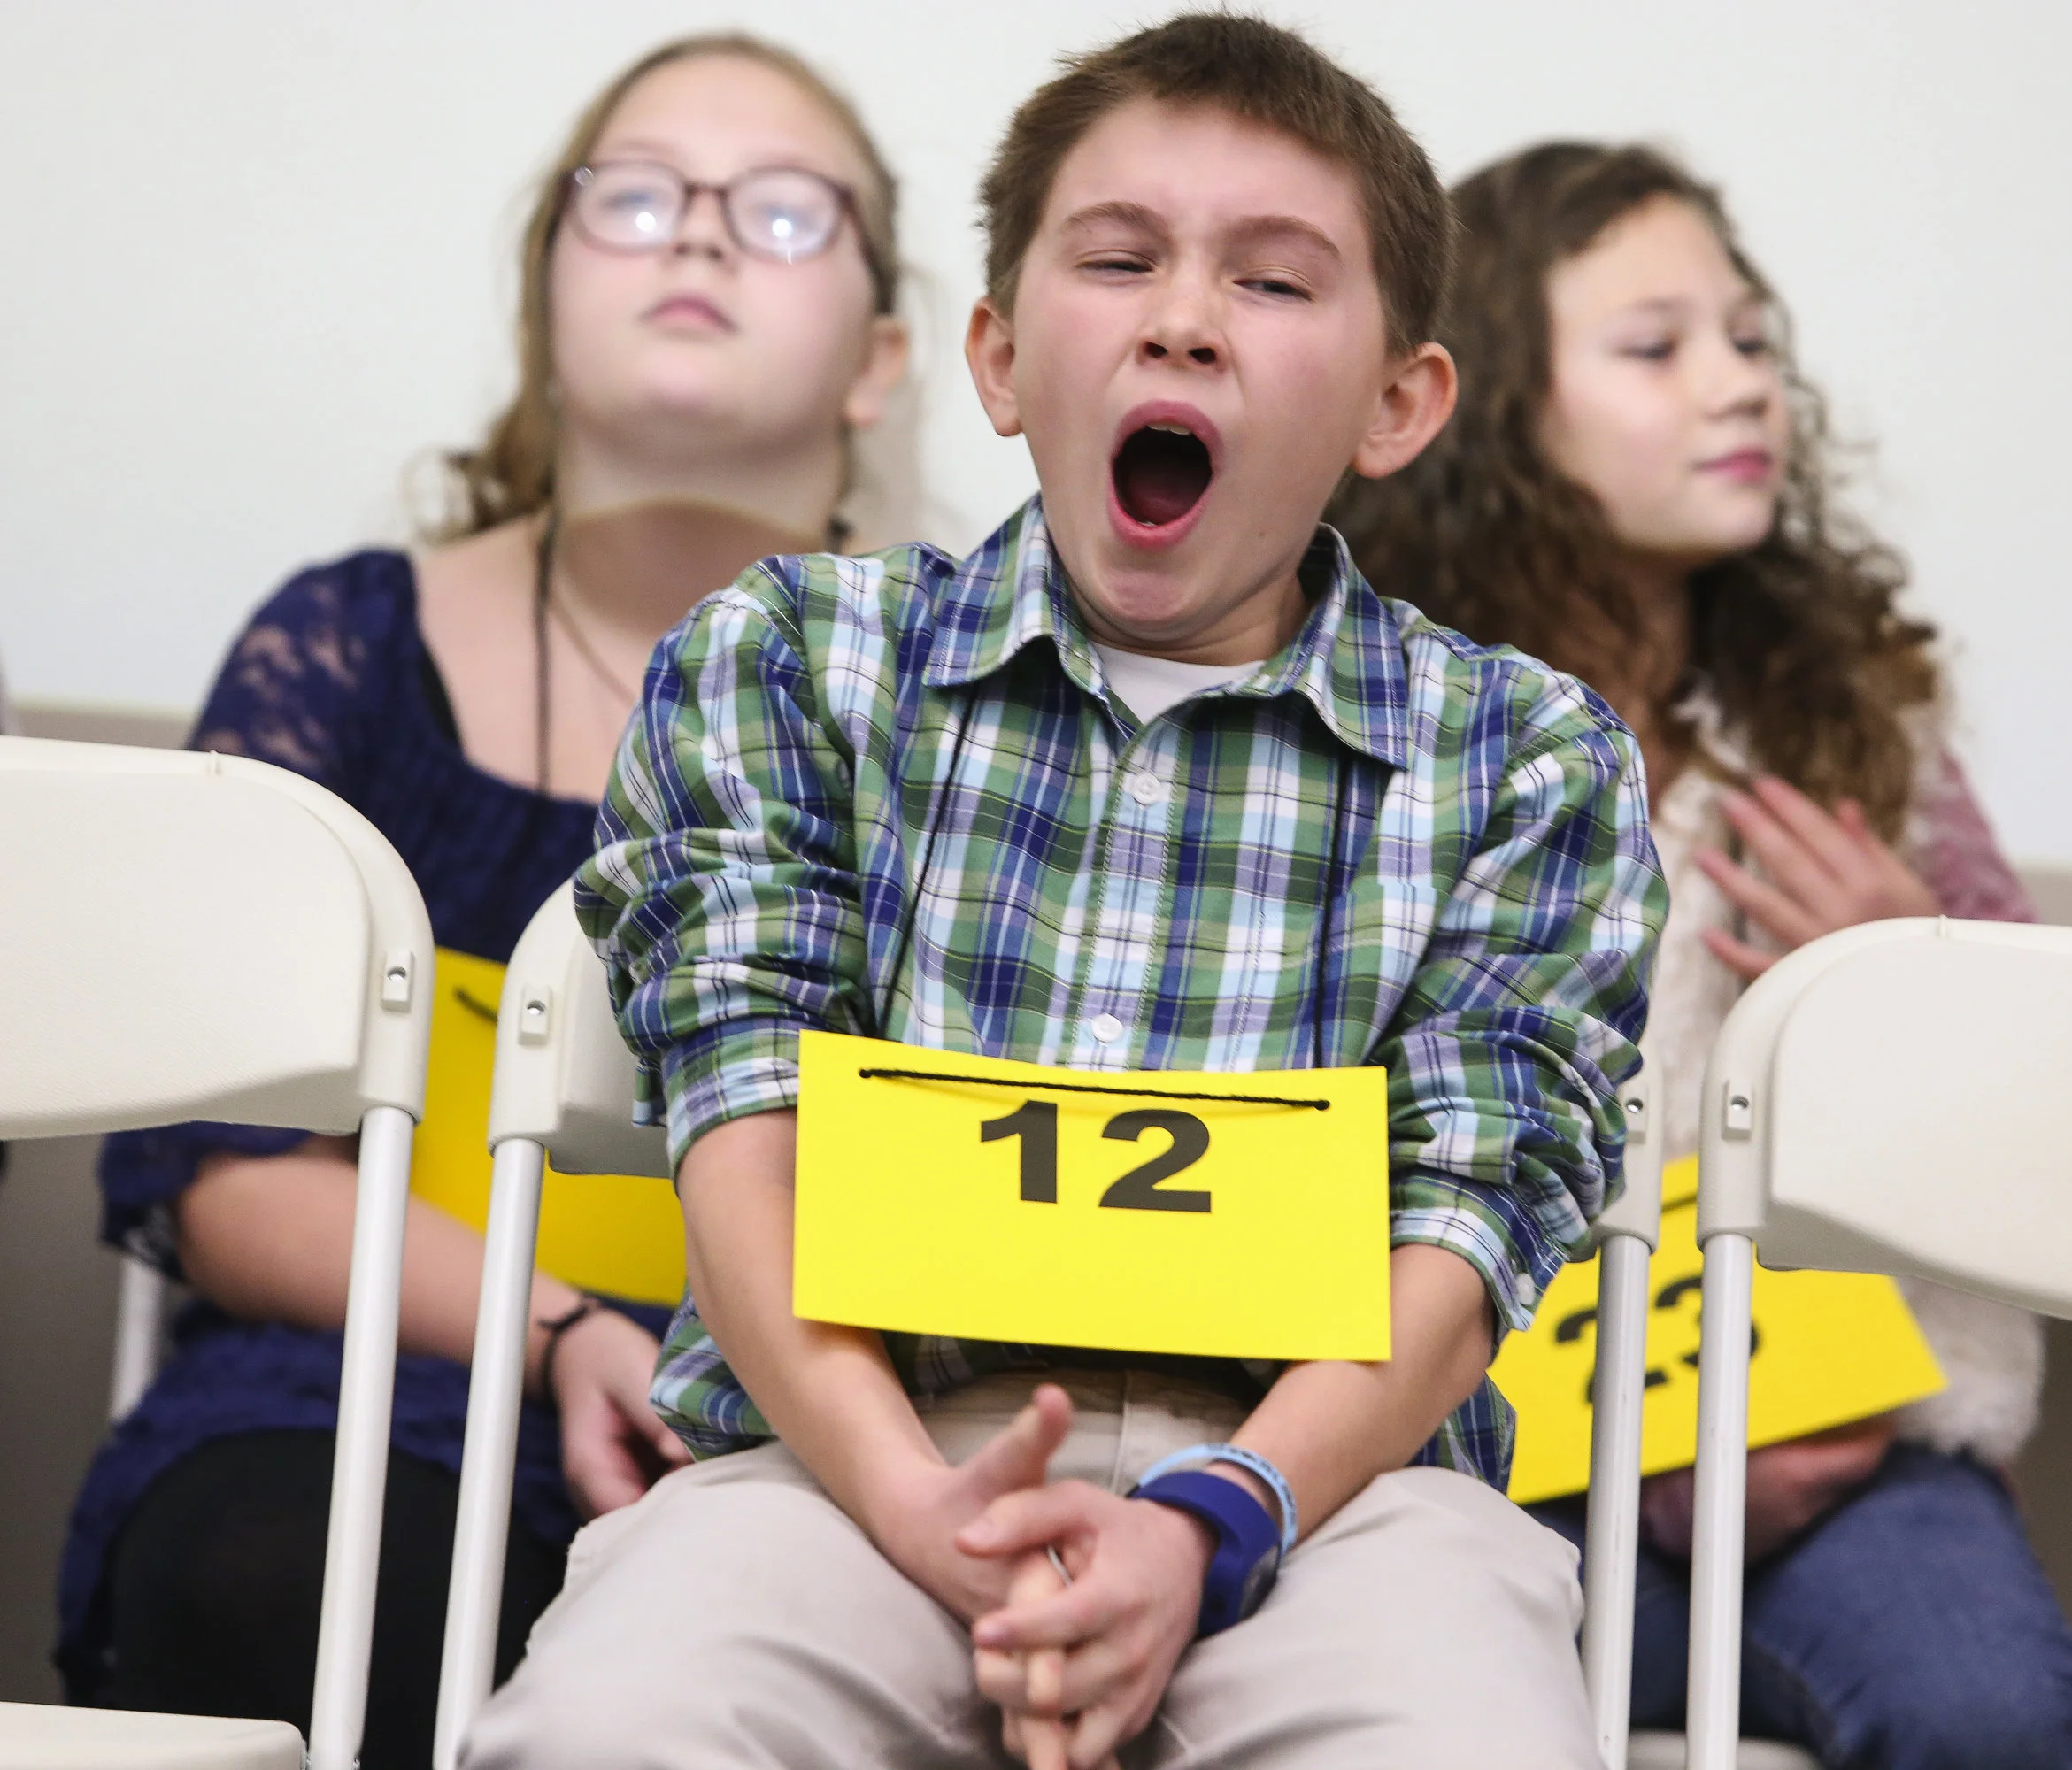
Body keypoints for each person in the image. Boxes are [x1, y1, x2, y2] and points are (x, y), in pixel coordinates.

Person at [464, 17, 1667, 1770]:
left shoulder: (1525, 757)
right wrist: (911, 1501)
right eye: (1116, 259)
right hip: (847, 1445)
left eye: (1269, 282)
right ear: (1005, 355)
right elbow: (745, 1119)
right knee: (611, 1725)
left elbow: (1470, 1213)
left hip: (1324, 1493)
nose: (1179, 315)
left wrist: (1211, 1517)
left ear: (1396, 403)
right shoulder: (792, 660)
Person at [59, 35, 909, 1765]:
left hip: (820, 1441)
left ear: (881, 362)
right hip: (369, 1403)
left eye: (779, 211)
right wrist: (566, 1335)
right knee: (294, 1583)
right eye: (636, 197)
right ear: (544, 299)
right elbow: (222, 1168)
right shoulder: (350, 649)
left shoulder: (977, 727)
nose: (697, 242)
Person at [1331, 141, 2072, 1769]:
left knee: (2002, 1725)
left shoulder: (1867, 741)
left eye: (1752, 341)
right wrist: (1603, 1437)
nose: (1739, 387)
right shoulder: (1374, 736)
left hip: (1852, 1466)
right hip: (1459, 1456)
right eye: (1656, 347)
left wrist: (1902, 999)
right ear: (1493, 409)